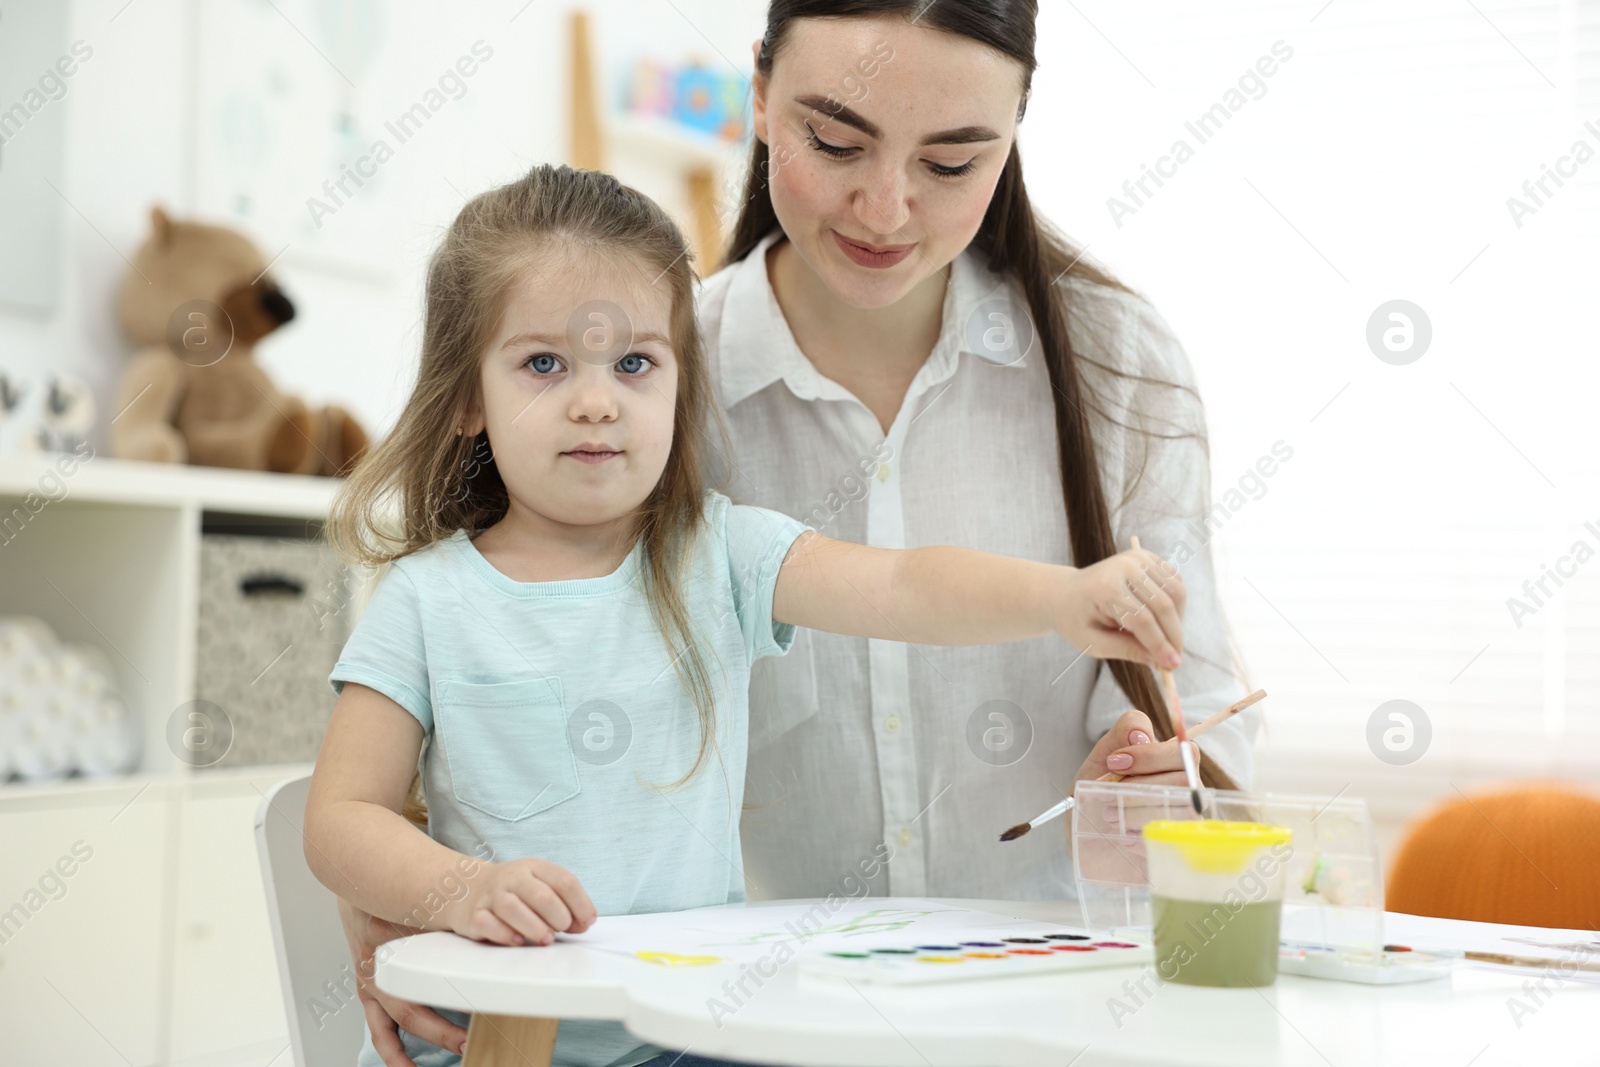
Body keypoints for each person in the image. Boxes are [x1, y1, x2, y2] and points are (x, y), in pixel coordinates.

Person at [305, 163, 1188, 1067]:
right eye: (543, 363)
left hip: (689, 1034)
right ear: (465, 397)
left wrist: (1063, 596)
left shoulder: (719, 553)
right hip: (488, 1037)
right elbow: (341, 815)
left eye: (636, 363)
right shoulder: (426, 597)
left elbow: (902, 586)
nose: (597, 398)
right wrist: (460, 888)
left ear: (680, 386)